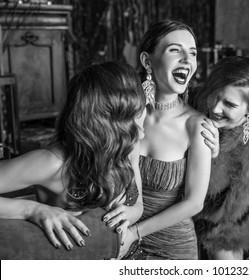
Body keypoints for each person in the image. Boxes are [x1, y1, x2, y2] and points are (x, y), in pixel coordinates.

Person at [0, 61, 146, 259]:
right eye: (132, 118)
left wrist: (130, 213)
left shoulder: (129, 145)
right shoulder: (53, 162)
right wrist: (31, 209)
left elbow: (137, 204)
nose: (142, 133)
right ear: (107, 121)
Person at [118, 19, 212, 260]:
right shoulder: (124, 113)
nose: (187, 60)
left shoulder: (197, 126)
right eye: (175, 50)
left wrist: (134, 232)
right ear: (147, 61)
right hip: (117, 239)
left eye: (192, 53)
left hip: (172, 248)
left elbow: (194, 203)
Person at [190, 56, 249, 260]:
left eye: (229, 104)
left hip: (224, 224)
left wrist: (212, 157)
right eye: (214, 96)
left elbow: (220, 213)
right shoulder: (194, 102)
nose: (215, 108)